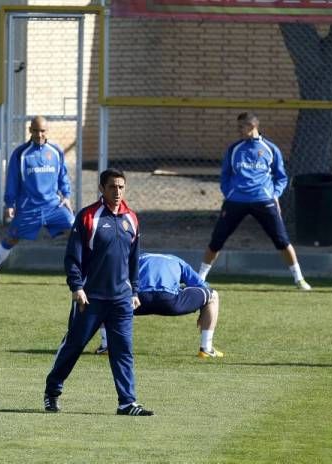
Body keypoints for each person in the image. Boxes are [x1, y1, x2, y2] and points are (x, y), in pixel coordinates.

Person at [43, 168, 153, 416]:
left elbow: (134, 259)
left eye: (121, 187)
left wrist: (134, 290)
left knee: (123, 349)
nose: (117, 192)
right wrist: (77, 287)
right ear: (102, 189)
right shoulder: (88, 217)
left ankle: (127, 403)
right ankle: (52, 391)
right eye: (112, 187)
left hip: (121, 300)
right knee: (74, 346)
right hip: (90, 298)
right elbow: (73, 257)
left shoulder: (131, 219)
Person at [198, 112, 311, 291]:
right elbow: (225, 175)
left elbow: (281, 177)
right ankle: (199, 279)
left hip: (263, 200)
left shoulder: (271, 149)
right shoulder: (234, 149)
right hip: (236, 201)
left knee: (282, 241)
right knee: (216, 241)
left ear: (252, 126)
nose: (239, 130)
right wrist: (230, 193)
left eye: (241, 127)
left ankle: (299, 279)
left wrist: (274, 194)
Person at [0, 115, 74, 283]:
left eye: (42, 131)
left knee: (76, 229)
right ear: (30, 131)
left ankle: (85, 272)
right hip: (29, 208)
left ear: (47, 131)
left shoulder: (56, 151)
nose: (39, 134)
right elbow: (12, 180)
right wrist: (10, 204)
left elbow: (63, 175)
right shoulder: (21, 154)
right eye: (35, 130)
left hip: (53, 206)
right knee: (11, 238)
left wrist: (67, 196)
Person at [95, 253, 223, 359]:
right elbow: (201, 285)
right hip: (169, 301)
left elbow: (115, 280)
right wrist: (201, 308)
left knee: (104, 296)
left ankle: (107, 345)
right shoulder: (177, 260)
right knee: (213, 296)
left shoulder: (138, 258)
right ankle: (206, 348)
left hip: (138, 300)